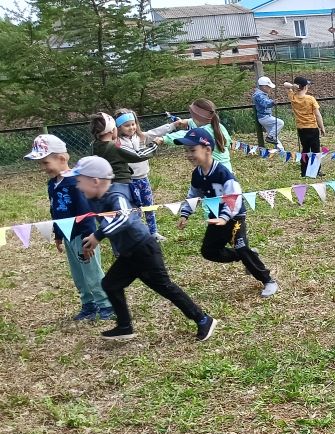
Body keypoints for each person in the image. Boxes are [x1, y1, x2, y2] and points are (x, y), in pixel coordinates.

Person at [67, 156, 217, 343]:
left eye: (80, 181)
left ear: (95, 181)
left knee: (165, 287)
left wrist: (98, 236)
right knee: (110, 284)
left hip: (143, 249)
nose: (78, 186)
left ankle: (203, 319)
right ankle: (124, 327)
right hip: (129, 253)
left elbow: (124, 218)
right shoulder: (97, 197)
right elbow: (108, 220)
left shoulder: (116, 195)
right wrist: (95, 234)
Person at [173, 129, 279, 298]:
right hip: (216, 218)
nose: (188, 155)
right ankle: (246, 257)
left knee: (241, 246)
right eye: (186, 151)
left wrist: (224, 218)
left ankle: (268, 280)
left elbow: (235, 198)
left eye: (192, 150)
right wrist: (185, 214)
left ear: (207, 149)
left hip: (234, 217)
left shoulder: (223, 173)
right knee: (209, 251)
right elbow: (193, 195)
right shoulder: (197, 174)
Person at [25, 134, 114, 322]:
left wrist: (89, 236)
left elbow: (86, 212)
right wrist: (58, 234)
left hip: (83, 236)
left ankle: (106, 304)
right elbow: (55, 210)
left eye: (45, 163)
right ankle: (88, 304)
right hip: (67, 235)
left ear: (62, 158)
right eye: (40, 164)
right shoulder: (52, 184)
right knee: (79, 274)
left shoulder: (76, 182)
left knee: (92, 272)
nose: (43, 168)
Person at [112, 109, 164, 239]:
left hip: (144, 178)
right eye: (127, 125)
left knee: (149, 206)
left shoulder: (140, 137)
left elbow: (156, 132)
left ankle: (153, 232)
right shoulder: (118, 143)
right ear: (118, 127)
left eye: (133, 124)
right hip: (130, 181)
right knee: (136, 209)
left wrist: (173, 126)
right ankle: (139, 233)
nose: (131, 127)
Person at [147, 99, 235, 173]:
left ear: (196, 116)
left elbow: (185, 135)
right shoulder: (219, 127)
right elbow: (196, 123)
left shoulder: (203, 131)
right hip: (226, 170)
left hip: (214, 174)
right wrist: (186, 122)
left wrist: (164, 139)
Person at [89, 112, 160, 198]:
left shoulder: (94, 145)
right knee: (129, 209)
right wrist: (155, 144)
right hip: (121, 185)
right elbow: (138, 155)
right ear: (111, 130)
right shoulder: (115, 147)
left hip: (105, 185)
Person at [283, 77, 326, 177]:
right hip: (312, 128)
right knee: (315, 150)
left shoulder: (293, 97)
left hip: (301, 129)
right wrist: (322, 127)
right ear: (305, 87)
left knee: (305, 149)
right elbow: (318, 115)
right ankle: (315, 171)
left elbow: (285, 84)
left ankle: (304, 171)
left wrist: (293, 87)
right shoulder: (310, 99)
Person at [253, 76, 285, 151]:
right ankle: (269, 137)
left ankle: (280, 149)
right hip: (264, 117)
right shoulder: (259, 95)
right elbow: (265, 103)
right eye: (269, 87)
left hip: (265, 117)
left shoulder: (261, 94)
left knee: (274, 134)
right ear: (264, 87)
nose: (270, 89)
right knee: (280, 123)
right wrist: (273, 102)